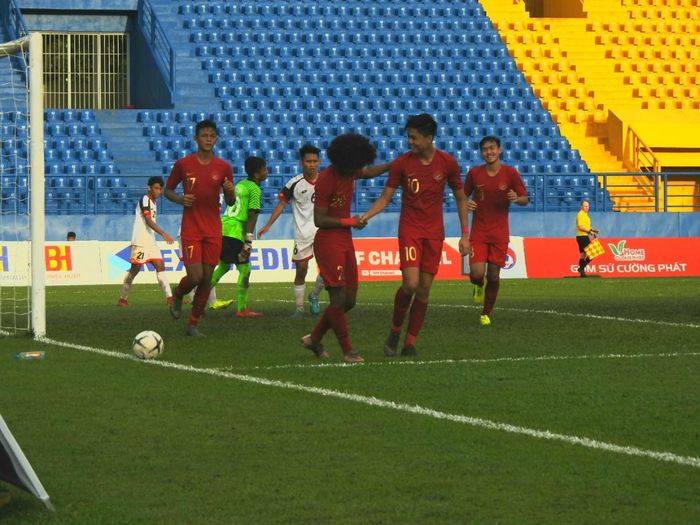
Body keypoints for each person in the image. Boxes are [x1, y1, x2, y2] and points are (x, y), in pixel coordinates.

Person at [362, 113, 470, 358]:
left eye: (414, 137)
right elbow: (385, 197)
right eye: (408, 137)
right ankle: (395, 330)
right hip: (410, 230)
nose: (409, 141)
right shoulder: (402, 164)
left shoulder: (447, 163)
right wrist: (366, 216)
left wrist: (465, 235)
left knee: (423, 290)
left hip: (434, 234)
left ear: (429, 138)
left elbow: (461, 198)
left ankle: (410, 343)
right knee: (410, 284)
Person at [301, 133, 390, 364]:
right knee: (338, 299)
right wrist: (350, 221)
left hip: (345, 241)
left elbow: (369, 172)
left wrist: (393, 164)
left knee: (349, 300)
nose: (358, 168)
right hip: (329, 243)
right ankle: (348, 350)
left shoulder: (351, 170)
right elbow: (319, 220)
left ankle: (315, 338)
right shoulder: (326, 180)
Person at [165, 119, 235, 337]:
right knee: (195, 277)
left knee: (207, 278)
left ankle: (193, 324)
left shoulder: (224, 167)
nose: (208, 139)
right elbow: (168, 190)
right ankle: (178, 294)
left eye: (212, 136)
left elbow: (231, 202)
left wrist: (230, 191)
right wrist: (179, 199)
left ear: (216, 139)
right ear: (196, 138)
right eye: (204, 136)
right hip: (191, 228)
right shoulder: (184, 164)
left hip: (213, 229)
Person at [464, 136, 528, 326]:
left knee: (493, 275)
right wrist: (466, 202)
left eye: (492, 148)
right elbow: (461, 195)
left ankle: (486, 313)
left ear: (499, 150)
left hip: (499, 233)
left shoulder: (510, 173)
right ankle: (477, 286)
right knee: (476, 272)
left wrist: (517, 198)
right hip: (479, 232)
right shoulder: (474, 173)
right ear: (481, 153)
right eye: (485, 149)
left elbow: (525, 198)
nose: (489, 152)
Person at [257, 143, 325, 318]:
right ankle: (300, 308)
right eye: (308, 161)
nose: (312, 164)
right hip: (303, 234)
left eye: (315, 161)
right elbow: (281, 204)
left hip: (323, 231)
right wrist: (268, 225)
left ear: (319, 162)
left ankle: (314, 296)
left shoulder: (326, 180)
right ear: (301, 162)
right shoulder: (294, 183)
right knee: (301, 269)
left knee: (327, 270)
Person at [209, 156, 267, 318]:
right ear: (257, 173)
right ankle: (242, 309)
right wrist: (248, 240)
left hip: (223, 228)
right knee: (245, 270)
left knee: (224, 266)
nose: (267, 172)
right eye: (264, 169)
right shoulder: (255, 189)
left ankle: (199, 300)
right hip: (234, 232)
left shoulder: (240, 184)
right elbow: (252, 214)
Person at [118, 176, 174, 307]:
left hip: (151, 241)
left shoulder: (154, 203)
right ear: (149, 188)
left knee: (160, 266)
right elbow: (148, 220)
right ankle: (122, 298)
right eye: (156, 188)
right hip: (141, 241)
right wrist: (163, 233)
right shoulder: (145, 199)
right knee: (134, 270)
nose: (159, 191)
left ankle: (170, 298)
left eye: (160, 189)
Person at [575, 199, 599, 277]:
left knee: (583, 255)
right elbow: (580, 227)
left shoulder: (585, 215)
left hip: (582, 236)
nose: (587, 207)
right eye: (585, 206)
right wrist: (589, 231)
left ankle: (582, 272)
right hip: (582, 236)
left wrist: (592, 230)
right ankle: (581, 268)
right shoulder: (580, 214)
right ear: (581, 206)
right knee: (593, 253)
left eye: (588, 206)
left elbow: (586, 226)